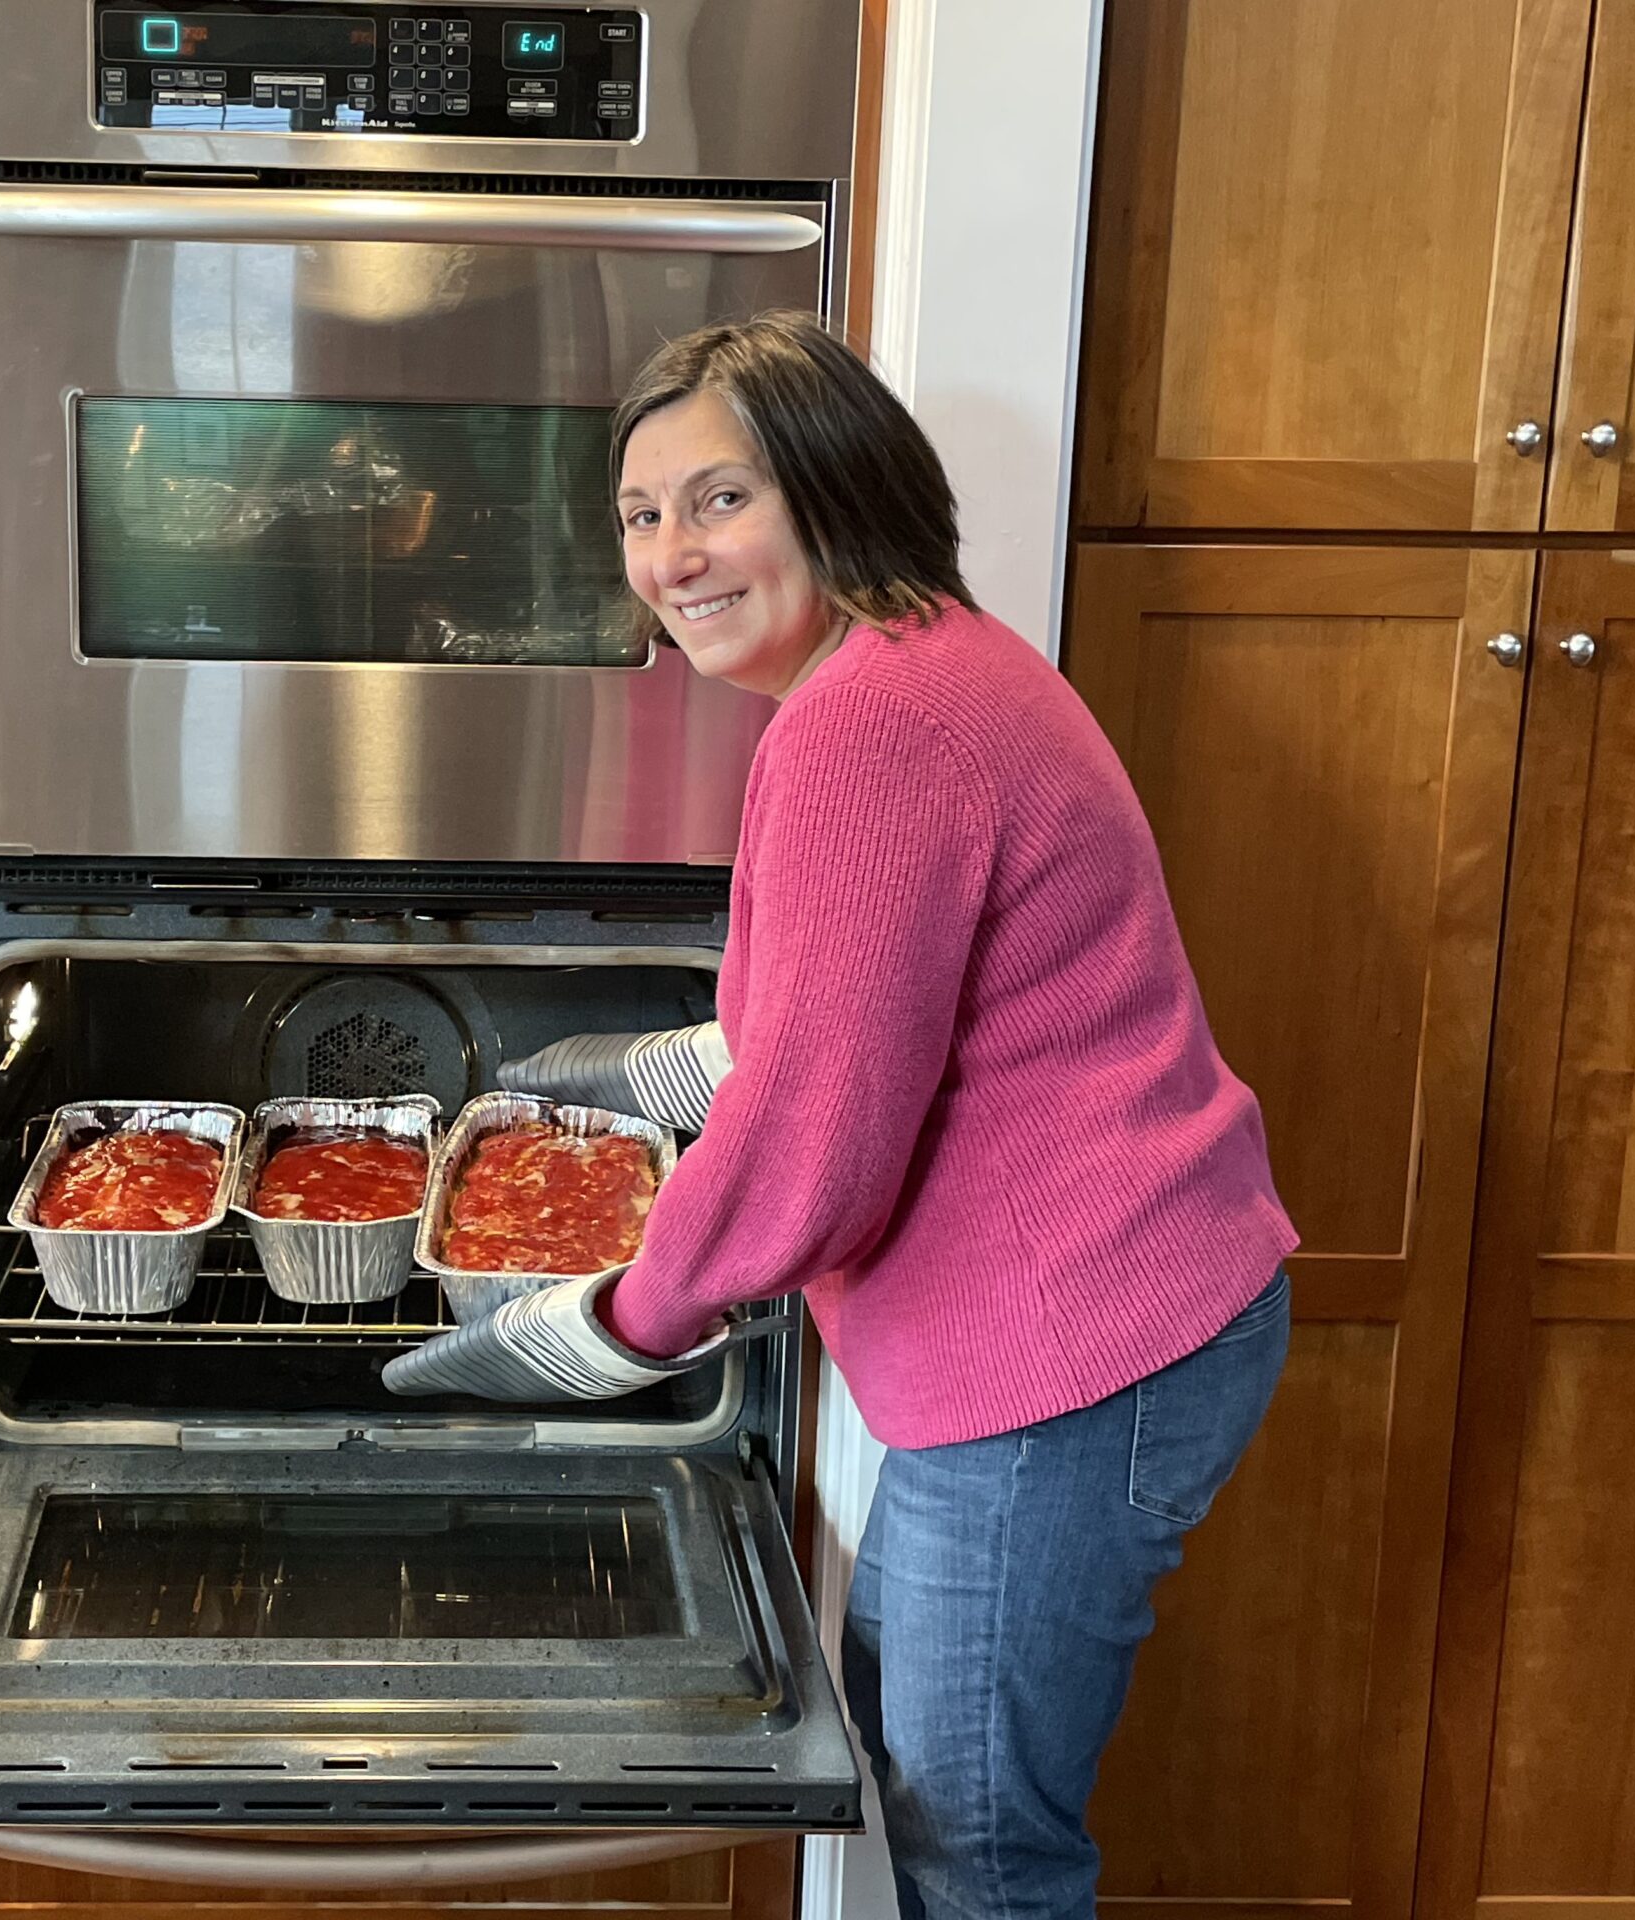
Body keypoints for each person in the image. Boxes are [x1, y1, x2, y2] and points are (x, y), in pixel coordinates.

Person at [384, 311, 1297, 1920]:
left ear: (835, 483)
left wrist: (605, 1327)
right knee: (930, 1759)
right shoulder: (923, 663)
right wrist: (649, 1073)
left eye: (719, 499)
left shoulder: (871, 723)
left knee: (985, 1847)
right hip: (1112, 1318)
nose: (672, 556)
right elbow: (856, 1022)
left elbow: (815, 1151)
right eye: (640, 516)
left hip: (1067, 1356)